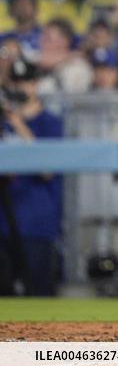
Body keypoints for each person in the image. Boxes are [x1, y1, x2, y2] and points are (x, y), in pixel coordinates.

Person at [0, 58, 65, 296]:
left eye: (26, 81)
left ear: (36, 83)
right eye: (15, 81)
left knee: (39, 291)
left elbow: (48, 171)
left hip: (36, 221)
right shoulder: (2, 122)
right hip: (4, 221)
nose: (20, 87)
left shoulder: (50, 122)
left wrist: (20, 127)